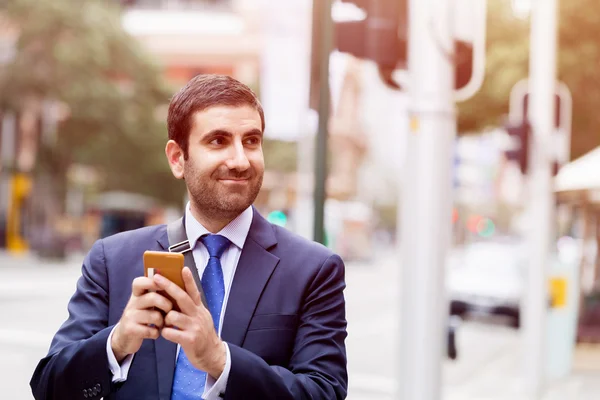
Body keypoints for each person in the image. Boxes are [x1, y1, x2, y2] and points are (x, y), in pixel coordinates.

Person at [30, 74, 348, 400]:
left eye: (251, 141)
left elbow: (324, 392)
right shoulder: (111, 260)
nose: (240, 160)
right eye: (218, 141)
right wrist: (117, 343)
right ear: (177, 159)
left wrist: (219, 360)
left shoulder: (314, 269)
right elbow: (48, 387)